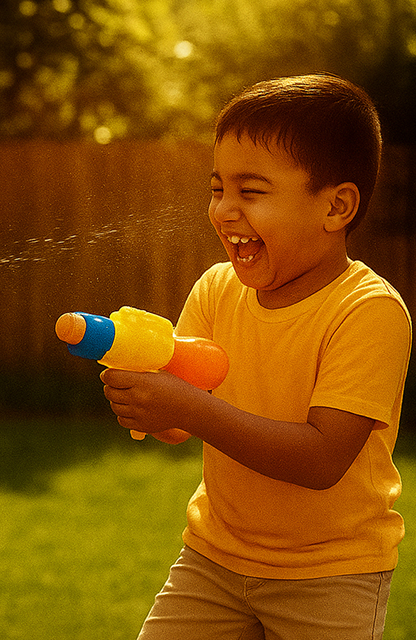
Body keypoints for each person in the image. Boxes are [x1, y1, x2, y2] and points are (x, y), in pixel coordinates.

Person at [101, 73, 411, 639]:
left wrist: (187, 410)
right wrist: (152, 403)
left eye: (251, 191)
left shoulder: (367, 311)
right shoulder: (218, 290)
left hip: (331, 575)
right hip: (214, 559)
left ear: (336, 206)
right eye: (217, 188)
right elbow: (183, 411)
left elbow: (321, 461)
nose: (223, 210)